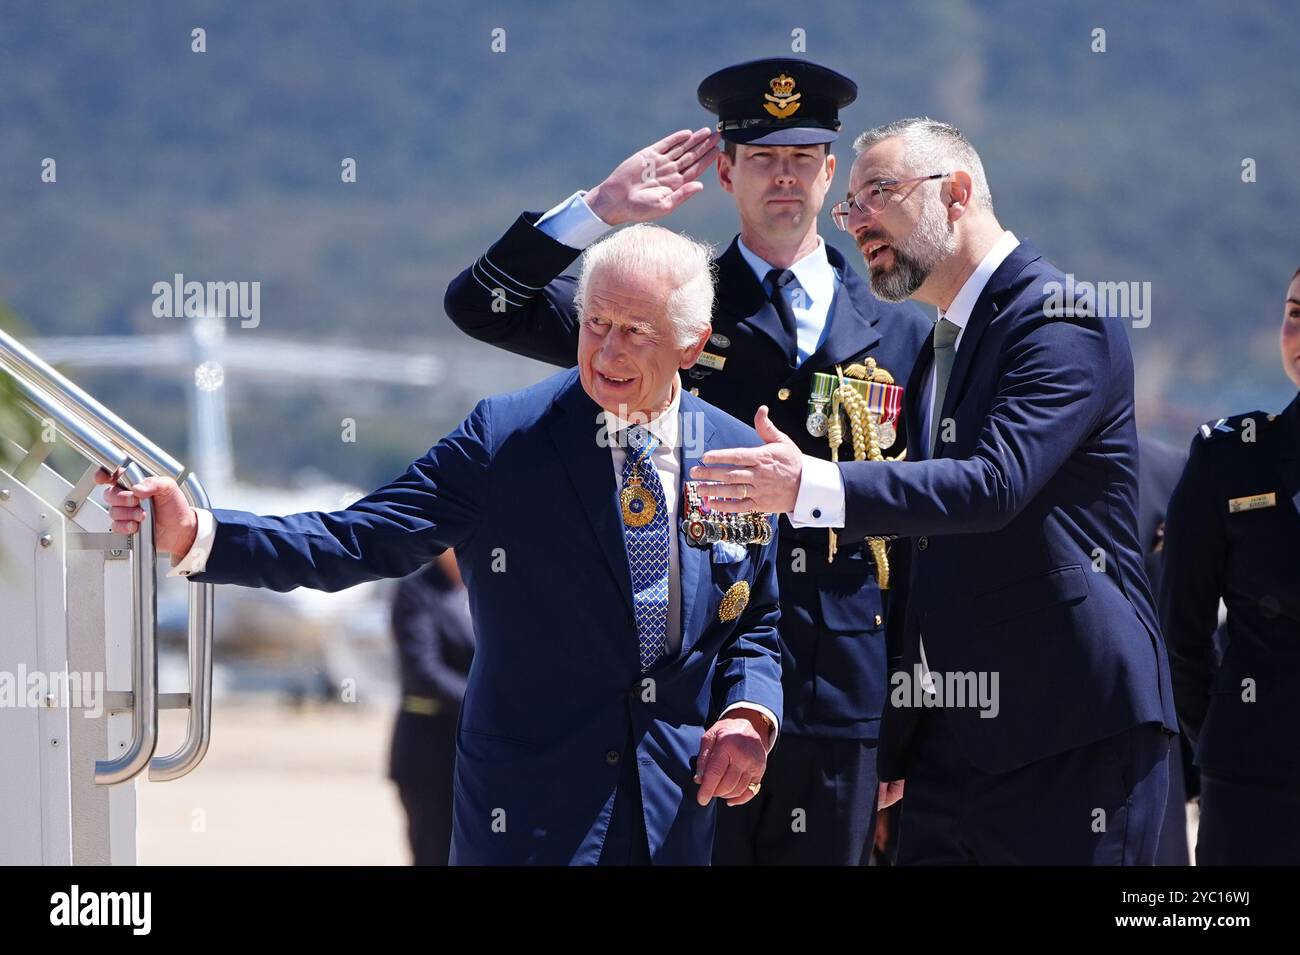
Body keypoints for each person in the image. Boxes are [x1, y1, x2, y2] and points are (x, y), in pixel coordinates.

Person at [97, 224, 783, 866]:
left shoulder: (736, 453)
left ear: (692, 345)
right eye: (596, 323)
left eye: (635, 331)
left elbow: (756, 618)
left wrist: (751, 712)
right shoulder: (505, 440)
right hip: (530, 814)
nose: (606, 352)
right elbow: (359, 536)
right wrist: (200, 533)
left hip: (673, 815)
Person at [444, 57, 931, 866]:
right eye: (764, 159)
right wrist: (597, 211)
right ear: (726, 171)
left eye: (803, 158)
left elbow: (919, 531)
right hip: (691, 711)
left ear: (831, 173)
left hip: (845, 702)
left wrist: (909, 724)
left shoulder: (902, 335)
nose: (785, 179)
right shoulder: (658, 304)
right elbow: (483, 304)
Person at [693, 117, 1178, 864]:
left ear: (955, 193)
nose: (855, 223)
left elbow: (993, 484)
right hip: (953, 748)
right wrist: (899, 742)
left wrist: (810, 485)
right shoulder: (936, 347)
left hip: (1069, 729)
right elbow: (919, 557)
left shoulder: (1058, 316)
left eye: (876, 195)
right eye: (850, 206)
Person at [1159, 266, 1300, 865]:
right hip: (1253, 787)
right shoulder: (1231, 460)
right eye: (1295, 314)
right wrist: (1225, 729)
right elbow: (1181, 631)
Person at [388, 551, 475, 865]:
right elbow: (423, 672)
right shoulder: (417, 591)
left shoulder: (482, 589)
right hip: (431, 751)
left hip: (479, 753)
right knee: (435, 852)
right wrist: (487, 703)